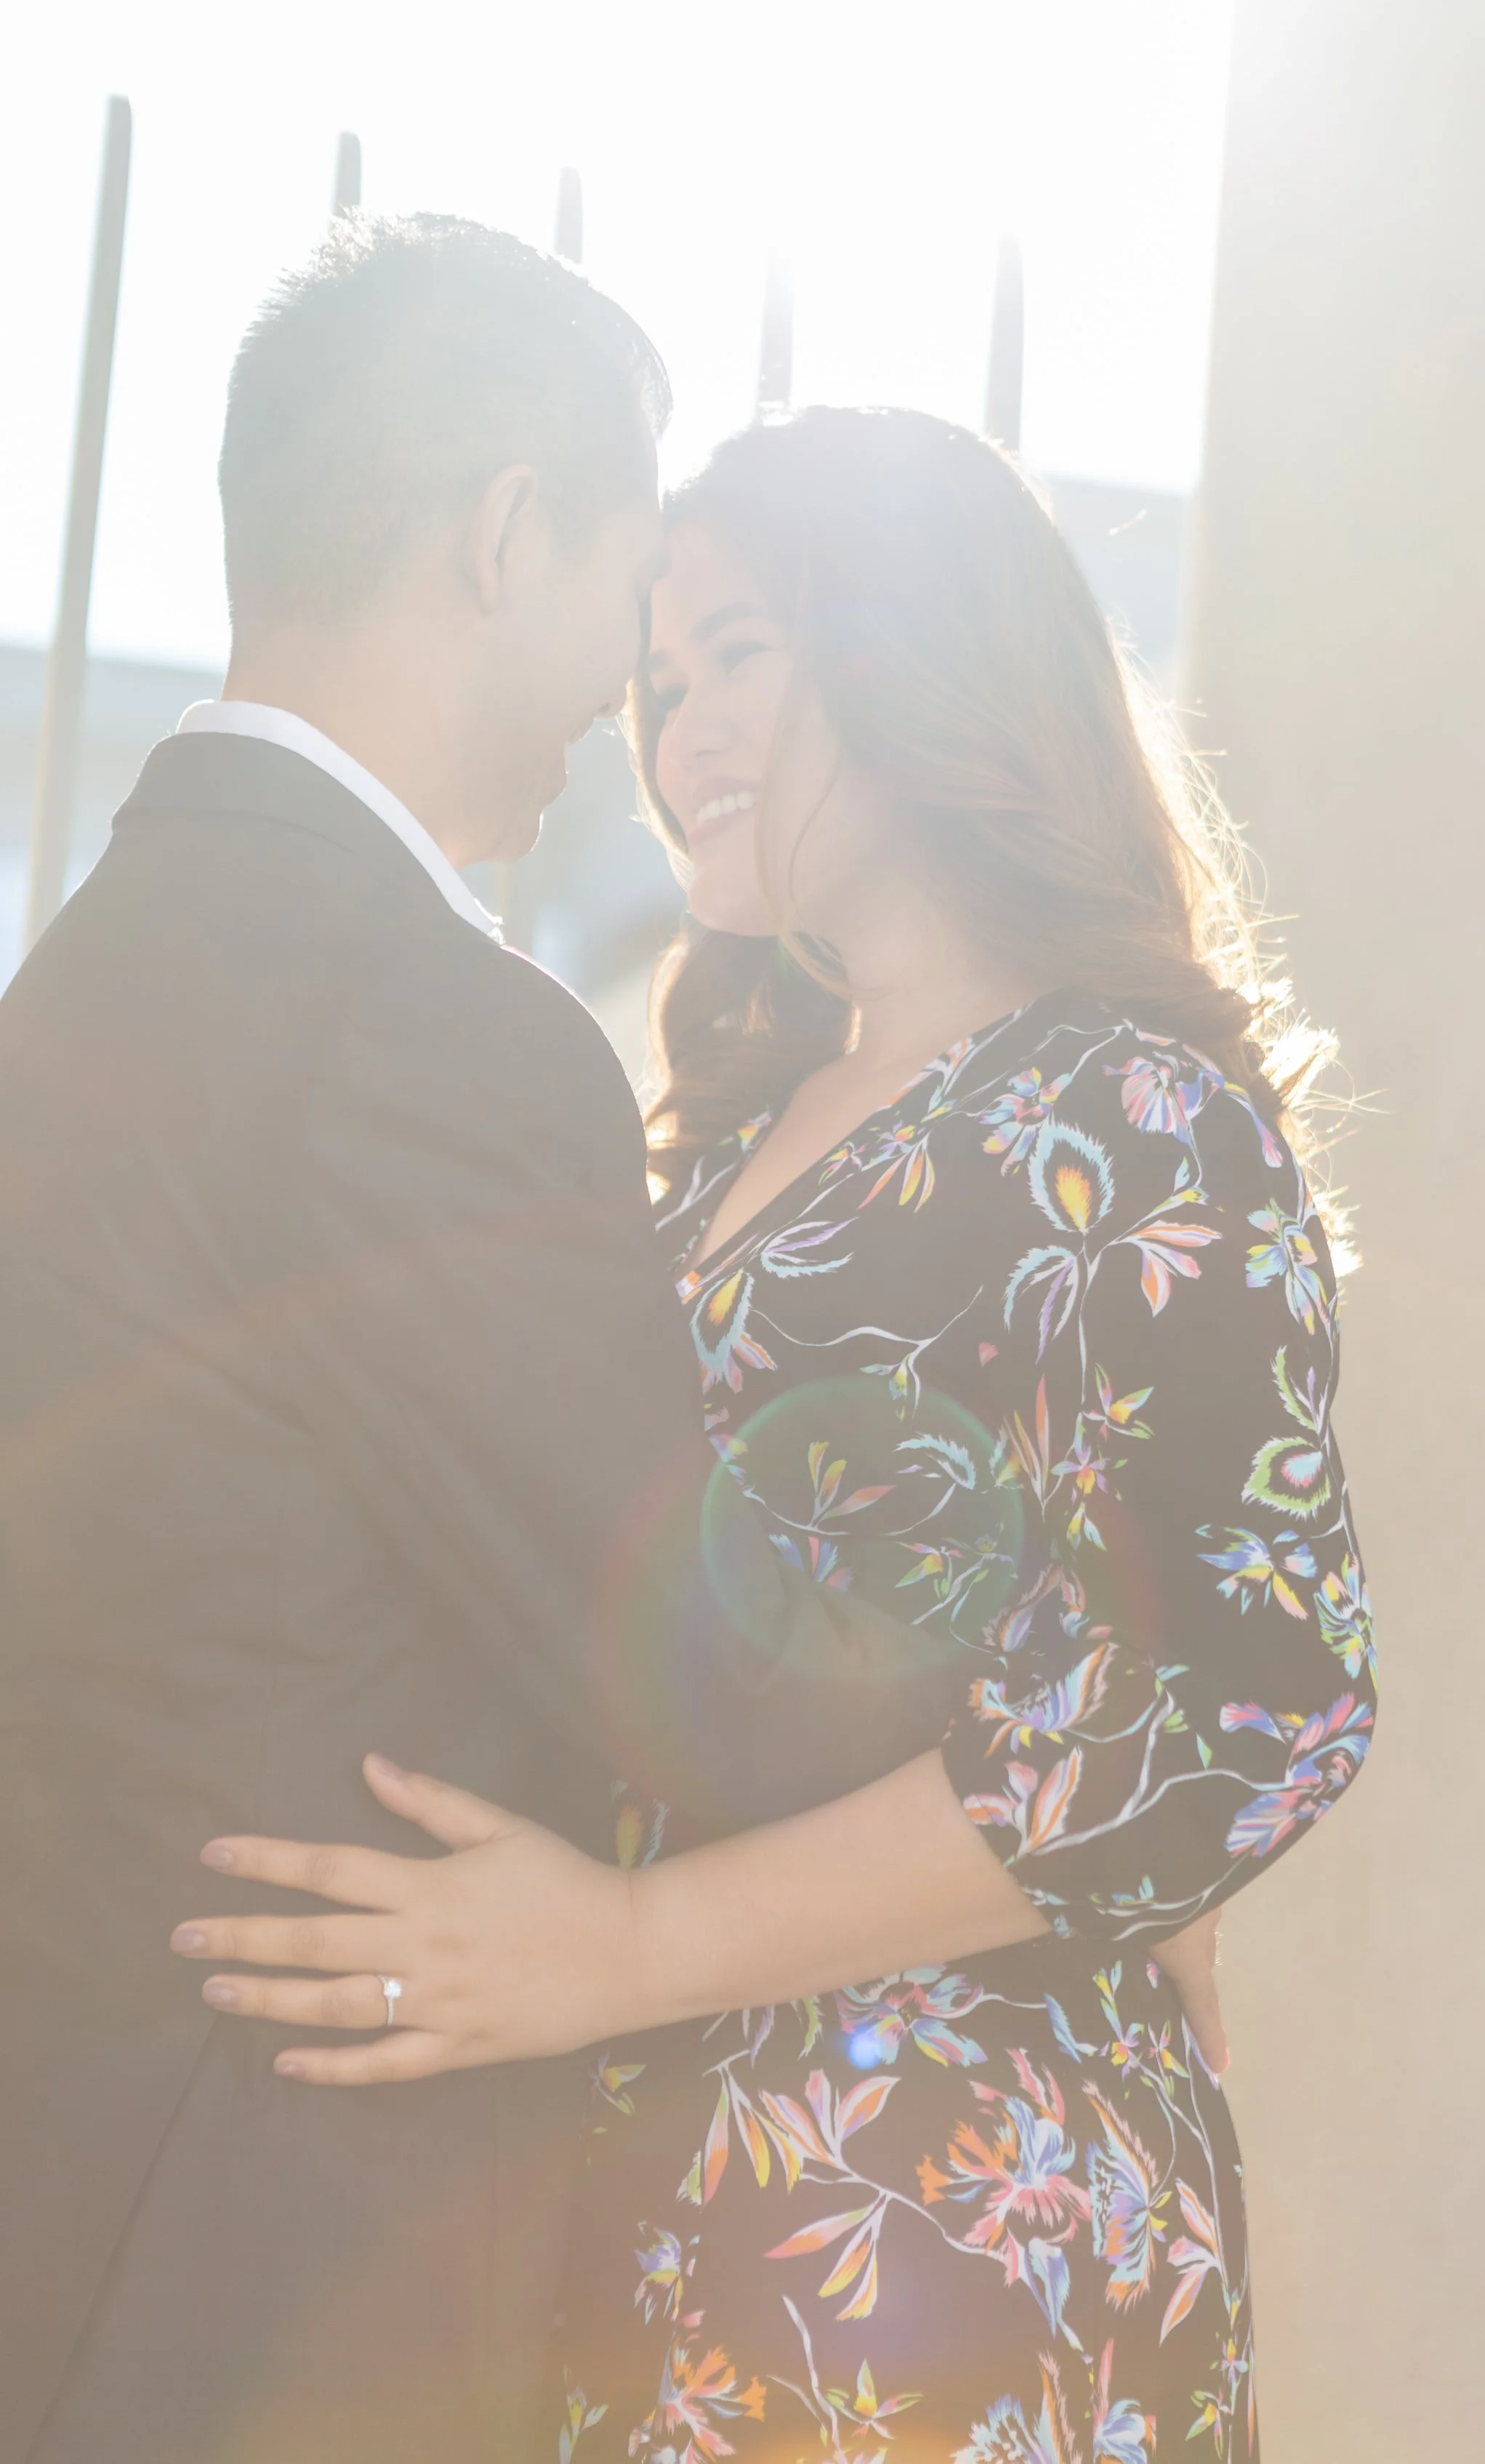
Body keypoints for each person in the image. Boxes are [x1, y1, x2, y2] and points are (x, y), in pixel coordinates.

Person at [179, 410, 1377, 2464]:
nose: (678, 734)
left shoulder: (1128, 1110)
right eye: (657, 685)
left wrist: (628, 1943)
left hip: (954, 2227)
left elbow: (1240, 1700)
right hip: (653, 2209)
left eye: (737, 652)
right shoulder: (717, 1137)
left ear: (925, 642)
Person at [0, 224, 959, 2464]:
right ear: (508, 531)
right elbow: (727, 1692)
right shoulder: (422, 1017)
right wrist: (1082, 1641)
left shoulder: (81, 981)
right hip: (271, 2281)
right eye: (630, 605)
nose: (632, 710)